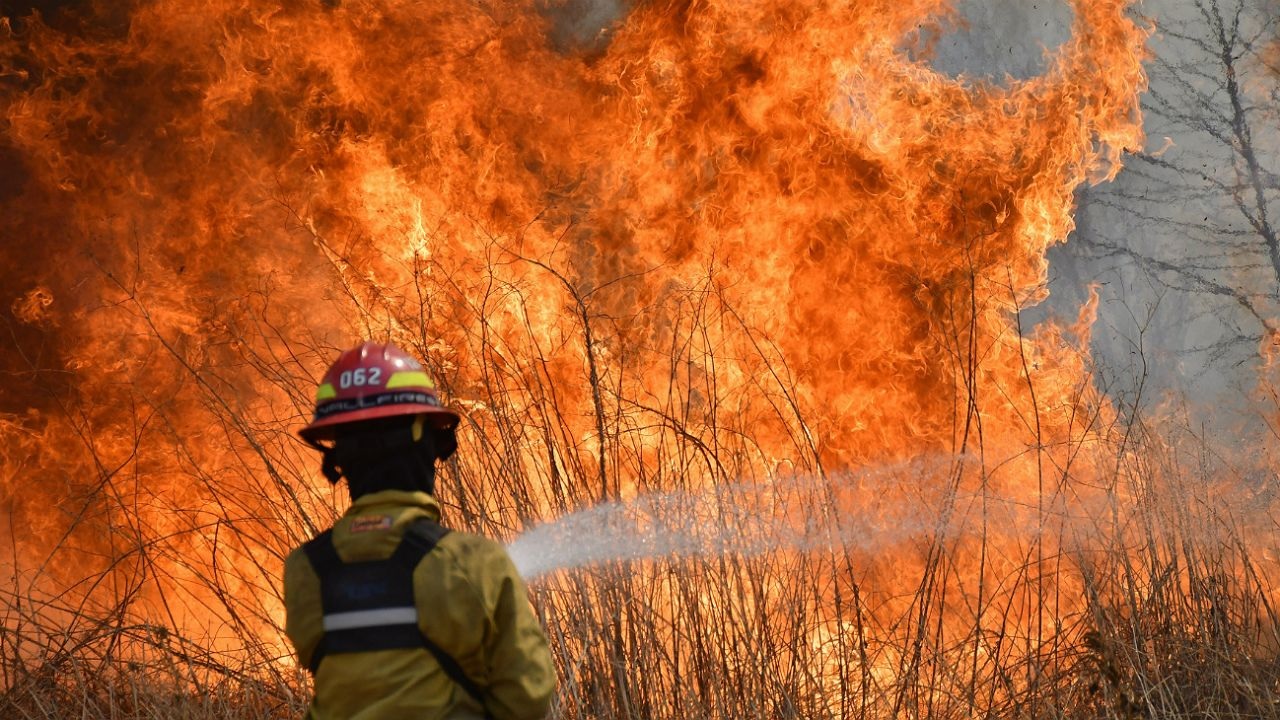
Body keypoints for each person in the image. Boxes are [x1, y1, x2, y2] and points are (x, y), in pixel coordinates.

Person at [283, 341, 556, 719]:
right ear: (425, 443)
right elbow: (528, 695)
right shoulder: (473, 562)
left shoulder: (304, 571)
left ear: (338, 456)